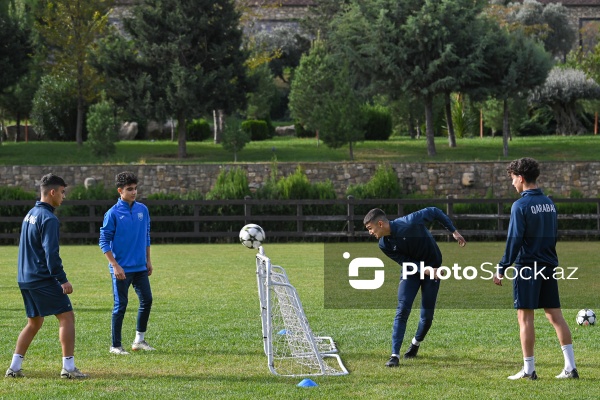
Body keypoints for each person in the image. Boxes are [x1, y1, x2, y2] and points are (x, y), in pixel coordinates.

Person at [493, 157, 578, 380]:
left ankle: (529, 370)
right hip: (549, 265)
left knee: (525, 318)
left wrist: (502, 267)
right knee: (555, 316)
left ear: (521, 178)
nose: (512, 184)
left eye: (512, 179)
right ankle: (570, 367)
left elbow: (514, 240)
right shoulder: (549, 203)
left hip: (527, 267)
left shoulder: (520, 205)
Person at [5, 174, 88, 379]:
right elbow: (51, 254)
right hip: (40, 277)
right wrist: (62, 279)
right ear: (52, 192)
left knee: (35, 322)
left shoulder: (30, 214)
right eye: (62, 192)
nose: (63, 196)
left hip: (24, 278)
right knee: (66, 316)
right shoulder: (49, 218)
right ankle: (68, 368)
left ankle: (14, 368)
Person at [364, 207, 466, 367]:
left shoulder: (410, 222)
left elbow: (434, 211)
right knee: (402, 309)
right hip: (411, 270)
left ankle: (415, 344)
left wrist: (453, 231)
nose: (370, 232)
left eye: (370, 228)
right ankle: (394, 356)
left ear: (380, 223)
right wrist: (422, 269)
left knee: (427, 317)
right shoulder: (384, 244)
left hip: (434, 268)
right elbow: (404, 261)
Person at [99, 171, 155, 355]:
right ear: (120, 191)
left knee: (147, 300)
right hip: (121, 270)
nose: (133, 192)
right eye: (129, 189)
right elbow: (103, 241)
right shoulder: (112, 213)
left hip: (140, 267)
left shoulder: (142, 210)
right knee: (120, 306)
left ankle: (139, 340)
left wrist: (148, 260)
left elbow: (146, 236)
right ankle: (115, 346)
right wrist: (115, 265)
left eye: (135, 189)